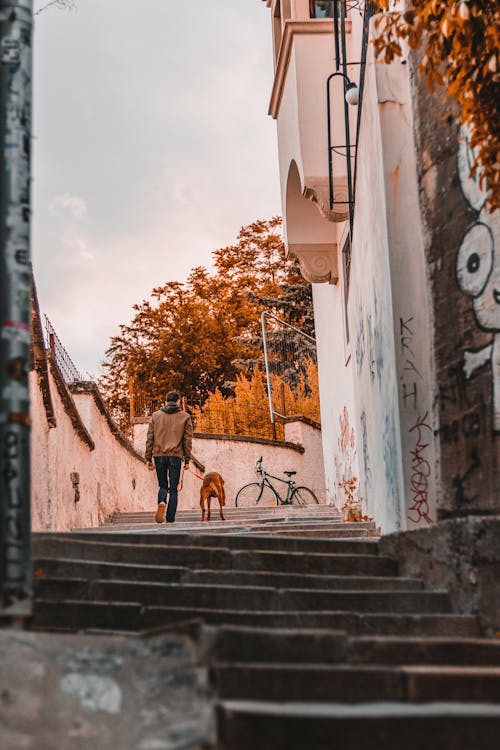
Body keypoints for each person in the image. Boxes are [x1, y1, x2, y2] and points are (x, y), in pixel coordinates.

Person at [145, 391, 193, 524]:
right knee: (173, 489)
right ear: (178, 401)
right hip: (175, 456)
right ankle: (170, 520)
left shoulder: (155, 416)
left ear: (165, 402)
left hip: (159, 456)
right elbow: (187, 440)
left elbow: (150, 438)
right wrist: (187, 460)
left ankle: (161, 501)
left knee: (162, 486)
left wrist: (148, 458)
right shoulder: (185, 417)